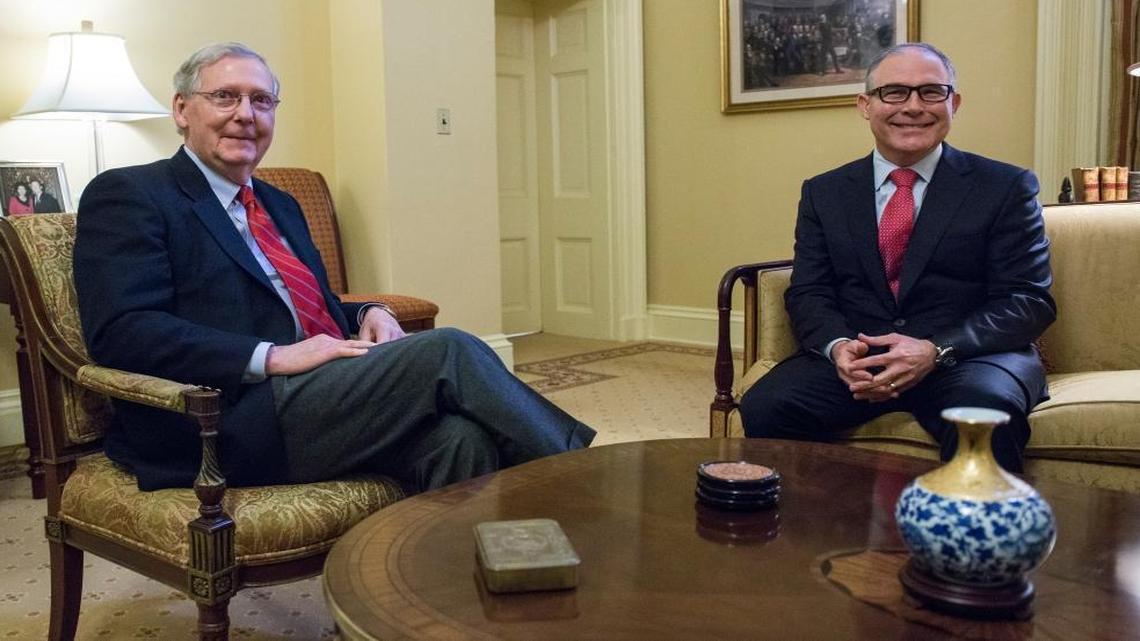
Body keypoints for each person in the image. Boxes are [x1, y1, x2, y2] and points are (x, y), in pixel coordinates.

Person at [74, 42, 595, 493]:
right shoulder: (132, 194)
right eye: (225, 97)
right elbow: (122, 332)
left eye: (261, 101)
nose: (245, 114)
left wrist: (369, 311)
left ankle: (449, 598)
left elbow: (310, 304)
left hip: (322, 396)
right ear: (182, 109)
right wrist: (273, 357)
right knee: (449, 348)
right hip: (223, 416)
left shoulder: (280, 203)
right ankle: (588, 481)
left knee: (462, 441)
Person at [739, 43, 1055, 473]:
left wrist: (935, 349)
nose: (912, 107)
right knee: (768, 405)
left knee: (986, 416)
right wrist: (838, 349)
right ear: (864, 106)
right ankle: (821, 533)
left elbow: (1027, 301)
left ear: (953, 103)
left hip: (965, 360)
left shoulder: (1005, 186)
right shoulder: (824, 192)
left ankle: (971, 540)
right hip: (861, 358)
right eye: (894, 93)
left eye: (930, 92)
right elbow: (810, 290)